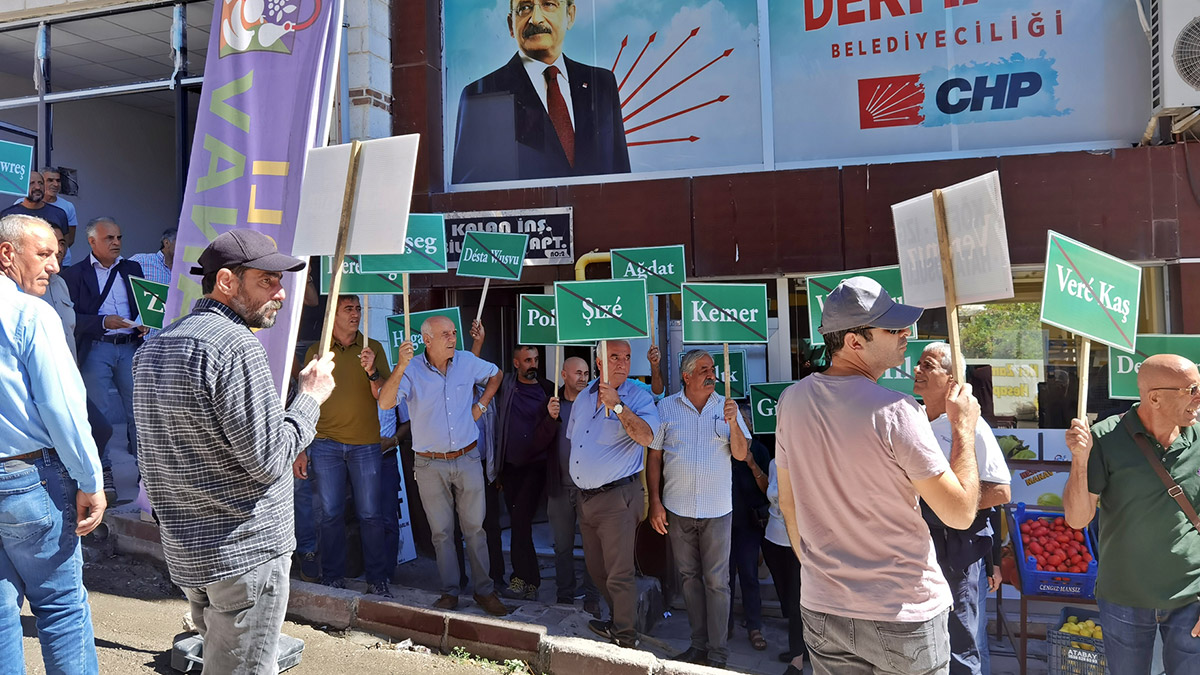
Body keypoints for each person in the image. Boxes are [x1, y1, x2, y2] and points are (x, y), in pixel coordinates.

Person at [132, 229, 336, 673]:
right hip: (243, 553)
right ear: (226, 281)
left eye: (279, 281)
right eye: (267, 281)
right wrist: (309, 398)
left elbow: (151, 455)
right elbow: (270, 459)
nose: (281, 293)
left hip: (190, 551)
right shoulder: (236, 345)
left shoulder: (154, 346)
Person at [774, 276, 981, 674]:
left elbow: (788, 503)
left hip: (823, 606)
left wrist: (819, 572)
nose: (906, 334)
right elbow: (959, 513)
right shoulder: (898, 411)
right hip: (901, 611)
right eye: (892, 328)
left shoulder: (791, 400)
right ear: (854, 341)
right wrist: (963, 429)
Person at [0, 213, 106, 675]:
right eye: (43, 254)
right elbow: (62, 408)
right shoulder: (30, 314)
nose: (55, 265)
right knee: (61, 607)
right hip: (28, 480)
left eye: (57, 254)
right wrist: (91, 480)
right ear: (7, 254)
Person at [1063, 354, 1200, 675]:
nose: (1199, 398)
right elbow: (1077, 519)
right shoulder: (1104, 437)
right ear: (1154, 398)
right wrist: (1080, 460)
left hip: (1190, 597)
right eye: (1192, 390)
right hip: (1123, 597)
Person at [378, 315, 509, 616]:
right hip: (429, 463)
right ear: (427, 340)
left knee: (475, 529)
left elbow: (497, 374)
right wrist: (400, 366)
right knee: (441, 533)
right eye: (445, 334)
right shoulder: (411, 369)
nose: (453, 338)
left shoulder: (466, 361)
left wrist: (481, 405)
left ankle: (484, 591)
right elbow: (385, 402)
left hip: (467, 456)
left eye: (453, 332)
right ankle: (450, 591)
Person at [451, 0, 630, 184]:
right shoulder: (480, 96)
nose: (536, 19)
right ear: (511, 25)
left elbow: (622, 180)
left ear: (570, 15)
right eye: (524, 8)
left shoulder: (602, 84)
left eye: (548, 4)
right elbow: (470, 193)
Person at [913, 342, 1011, 675]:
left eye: (928, 366)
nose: (917, 370)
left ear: (952, 379)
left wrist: (946, 503)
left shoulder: (972, 426)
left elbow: (1001, 491)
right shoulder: (911, 419)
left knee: (961, 644)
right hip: (917, 547)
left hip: (957, 550)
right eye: (918, 363)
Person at [647, 350, 749, 668]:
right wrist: (654, 501)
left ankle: (718, 654)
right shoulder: (666, 408)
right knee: (689, 578)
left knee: (717, 582)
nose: (711, 374)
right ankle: (698, 646)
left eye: (713, 368)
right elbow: (654, 457)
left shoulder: (726, 407)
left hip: (717, 510)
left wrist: (733, 423)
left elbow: (741, 454)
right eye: (704, 369)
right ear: (686, 375)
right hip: (678, 509)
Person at [296, 295, 392, 596]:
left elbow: (385, 396)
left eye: (358, 309)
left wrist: (372, 371)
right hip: (325, 443)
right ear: (333, 315)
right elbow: (305, 399)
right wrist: (301, 447)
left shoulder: (372, 348)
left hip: (365, 443)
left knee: (371, 514)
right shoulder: (318, 351)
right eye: (348, 309)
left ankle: (377, 579)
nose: (356, 314)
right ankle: (333, 576)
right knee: (331, 514)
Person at [569, 340, 659, 649]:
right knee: (597, 570)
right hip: (586, 498)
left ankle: (626, 636)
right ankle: (617, 620)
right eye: (614, 356)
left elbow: (647, 436)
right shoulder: (584, 397)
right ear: (599, 363)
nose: (623, 362)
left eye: (627, 357)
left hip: (618, 498)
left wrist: (618, 406)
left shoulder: (639, 396)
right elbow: (576, 440)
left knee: (619, 573)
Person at [60, 216, 147, 502]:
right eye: (109, 238)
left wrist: (144, 322)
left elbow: (145, 304)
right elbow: (70, 318)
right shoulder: (74, 275)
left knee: (139, 411)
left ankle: (147, 473)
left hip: (129, 346)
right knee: (98, 415)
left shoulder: (132, 268)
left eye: (119, 237)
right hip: (97, 347)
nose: (116, 243)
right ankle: (103, 471)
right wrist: (102, 322)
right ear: (91, 241)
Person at [495, 345, 555, 600]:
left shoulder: (548, 389)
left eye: (536, 359)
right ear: (516, 363)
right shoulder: (506, 385)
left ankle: (521, 578)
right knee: (520, 523)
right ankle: (531, 582)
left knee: (520, 521)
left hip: (536, 466)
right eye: (528, 360)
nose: (533, 365)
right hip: (510, 466)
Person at [543, 355, 601, 613]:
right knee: (562, 546)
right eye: (578, 373)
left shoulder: (595, 403)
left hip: (589, 488)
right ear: (563, 375)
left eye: (586, 373)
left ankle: (592, 597)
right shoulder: (553, 404)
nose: (583, 378)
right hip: (560, 487)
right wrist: (549, 418)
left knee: (592, 547)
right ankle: (564, 595)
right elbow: (539, 442)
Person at [728, 405, 771, 656]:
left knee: (749, 576)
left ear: (751, 426)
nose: (740, 424)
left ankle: (754, 627)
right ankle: (725, 626)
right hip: (723, 522)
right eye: (736, 420)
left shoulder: (760, 450)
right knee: (723, 579)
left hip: (749, 525)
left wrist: (752, 464)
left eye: (744, 420)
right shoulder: (724, 448)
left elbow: (768, 489)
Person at [762, 459, 806, 675]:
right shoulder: (774, 463)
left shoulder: (809, 462)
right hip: (773, 540)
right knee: (787, 600)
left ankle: (797, 661)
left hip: (800, 544)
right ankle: (802, 648)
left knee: (797, 602)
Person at [1, 172, 70, 250]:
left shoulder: (59, 214)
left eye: (40, 183)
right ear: (23, 187)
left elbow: (64, 244)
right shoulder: (7, 215)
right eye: (31, 183)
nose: (37, 187)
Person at [36, 167, 78, 267]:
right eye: (50, 180)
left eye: (58, 181)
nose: (55, 184)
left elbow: (70, 239)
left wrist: (58, 253)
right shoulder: (23, 203)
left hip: (62, 263)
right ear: (40, 183)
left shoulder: (68, 206)